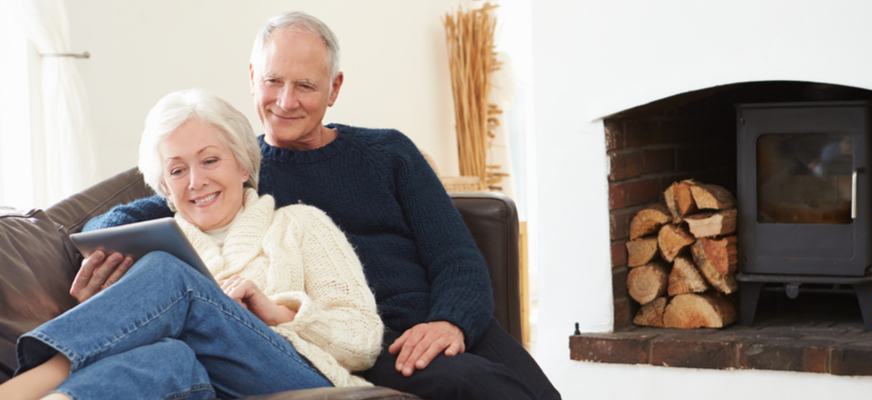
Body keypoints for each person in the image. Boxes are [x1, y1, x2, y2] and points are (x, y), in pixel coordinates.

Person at [74, 11, 559, 400]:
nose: (285, 101)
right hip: (366, 339)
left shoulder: (389, 152)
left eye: (305, 85)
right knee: (474, 386)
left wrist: (450, 321)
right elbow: (149, 207)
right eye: (273, 81)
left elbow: (457, 257)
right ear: (252, 78)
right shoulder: (238, 168)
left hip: (436, 318)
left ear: (335, 87)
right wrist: (105, 245)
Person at [0, 88, 383, 400]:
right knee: (168, 357)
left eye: (210, 160)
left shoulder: (302, 224)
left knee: (171, 272)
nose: (195, 181)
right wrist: (106, 306)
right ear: (165, 187)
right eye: (178, 170)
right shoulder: (147, 249)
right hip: (193, 385)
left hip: (295, 383)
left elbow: (362, 340)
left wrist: (276, 313)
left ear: (244, 164)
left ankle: (22, 388)